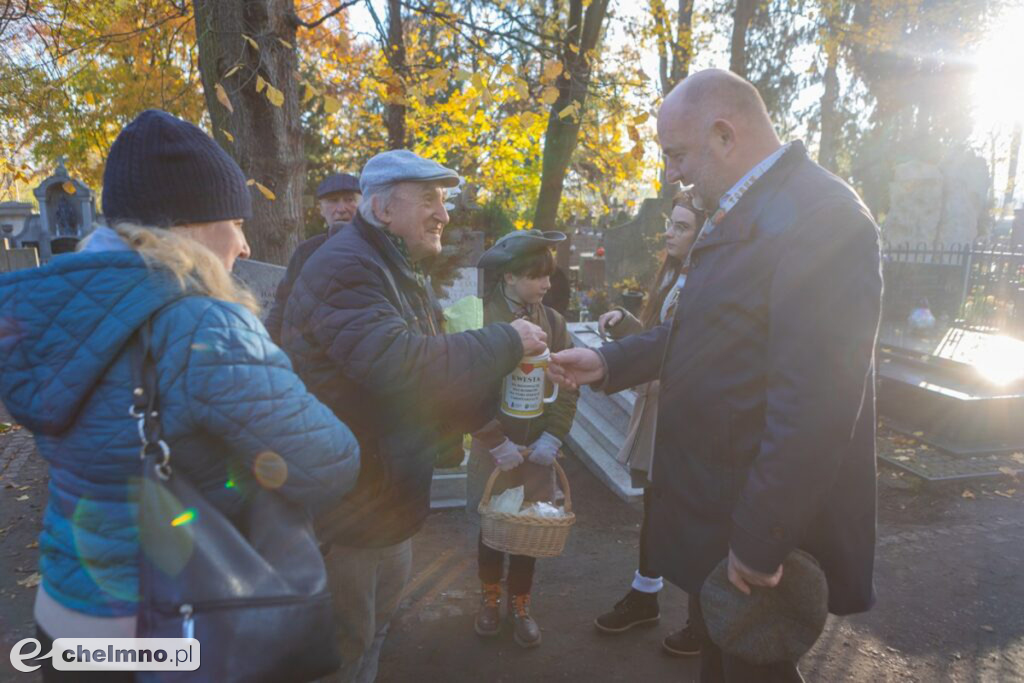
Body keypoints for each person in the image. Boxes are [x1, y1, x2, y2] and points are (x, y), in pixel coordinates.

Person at [0, 110, 361, 682]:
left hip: (66, 613)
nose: (243, 244)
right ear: (190, 226)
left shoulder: (45, 312)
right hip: (170, 623)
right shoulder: (203, 325)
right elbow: (330, 463)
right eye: (235, 222)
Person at [548, 69, 883, 681]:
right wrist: (609, 360)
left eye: (677, 154)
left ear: (725, 135)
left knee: (754, 664)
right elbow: (708, 333)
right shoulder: (745, 206)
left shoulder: (823, 218)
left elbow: (816, 405)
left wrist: (762, 536)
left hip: (754, 520)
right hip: (719, 502)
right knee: (724, 660)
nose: (673, 173)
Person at [280, 149, 547, 682]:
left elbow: (432, 376)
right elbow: (397, 364)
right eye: (429, 199)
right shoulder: (347, 265)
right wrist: (505, 339)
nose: (443, 214)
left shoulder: (395, 267)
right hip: (349, 508)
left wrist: (497, 426)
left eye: (443, 201)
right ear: (383, 210)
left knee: (375, 629)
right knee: (343, 646)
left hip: (385, 498)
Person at [592, 190, 706, 658]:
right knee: (655, 505)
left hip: (691, 412)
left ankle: (703, 619)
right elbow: (661, 341)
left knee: (698, 511)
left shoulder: (707, 282)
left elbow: (688, 350)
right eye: (671, 224)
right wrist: (625, 325)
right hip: (662, 405)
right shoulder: (676, 276)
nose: (669, 233)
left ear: (705, 235)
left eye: (681, 227)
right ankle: (645, 596)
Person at [467, 230, 579, 648]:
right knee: (493, 526)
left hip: (536, 449)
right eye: (537, 276)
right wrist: (494, 441)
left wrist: (552, 436)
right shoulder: (479, 316)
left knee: (531, 525)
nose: (547, 285)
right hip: (492, 445)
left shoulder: (553, 321)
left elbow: (567, 385)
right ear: (508, 277)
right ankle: (490, 596)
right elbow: (464, 388)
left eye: (548, 276)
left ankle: (520, 602)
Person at [265, 172, 361, 343]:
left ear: (363, 204)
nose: (341, 208)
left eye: (349, 199)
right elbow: (282, 306)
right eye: (333, 201)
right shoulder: (306, 252)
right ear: (321, 209)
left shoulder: (377, 248)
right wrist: (265, 348)